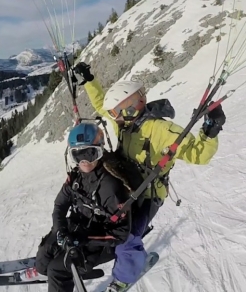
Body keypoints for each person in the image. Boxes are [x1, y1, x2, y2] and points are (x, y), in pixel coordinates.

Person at [73, 62, 226, 291]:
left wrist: (211, 130)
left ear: (130, 108)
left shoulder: (162, 130)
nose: (114, 117)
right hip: (125, 184)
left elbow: (199, 154)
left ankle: (124, 276)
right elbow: (101, 105)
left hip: (148, 194)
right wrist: (89, 80)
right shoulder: (125, 125)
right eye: (114, 113)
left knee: (127, 238)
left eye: (117, 112)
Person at [22, 122, 147, 292]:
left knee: (57, 270)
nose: (85, 161)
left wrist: (83, 239)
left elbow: (120, 234)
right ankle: (50, 269)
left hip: (99, 242)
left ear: (100, 152)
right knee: (43, 258)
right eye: (78, 155)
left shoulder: (111, 187)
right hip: (76, 229)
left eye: (90, 153)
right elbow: (60, 204)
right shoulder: (75, 178)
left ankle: (62, 276)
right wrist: (60, 231)